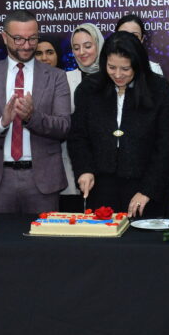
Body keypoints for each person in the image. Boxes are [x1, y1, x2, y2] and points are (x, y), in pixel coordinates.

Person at [0, 10, 70, 214]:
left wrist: (32, 117)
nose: (26, 45)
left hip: (43, 180)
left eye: (32, 38)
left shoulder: (56, 77)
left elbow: (64, 126)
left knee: (43, 236)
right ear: (4, 37)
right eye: (19, 39)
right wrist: (2, 122)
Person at [69, 31, 169, 216]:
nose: (117, 75)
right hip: (99, 185)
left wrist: (148, 190)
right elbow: (78, 136)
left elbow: (166, 144)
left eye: (125, 69)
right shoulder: (89, 89)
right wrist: (84, 170)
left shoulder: (158, 89)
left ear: (138, 65)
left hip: (143, 187)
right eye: (111, 67)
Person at [60, 23, 104, 211]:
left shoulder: (114, 77)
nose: (82, 52)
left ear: (99, 45)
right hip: (73, 164)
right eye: (76, 48)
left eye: (88, 46)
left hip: (106, 166)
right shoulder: (65, 79)